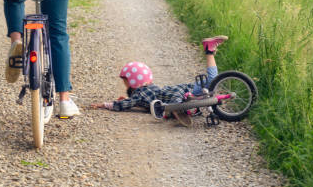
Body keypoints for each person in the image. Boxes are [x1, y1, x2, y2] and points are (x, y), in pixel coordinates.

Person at [91, 36, 228, 126]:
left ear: (133, 81)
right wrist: (126, 100)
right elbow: (142, 104)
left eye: (126, 82)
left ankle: (177, 110)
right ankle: (209, 50)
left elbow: (123, 105)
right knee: (211, 81)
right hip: (184, 89)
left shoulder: (139, 93)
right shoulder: (147, 90)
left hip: (175, 94)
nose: (125, 85)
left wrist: (104, 104)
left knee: (179, 100)